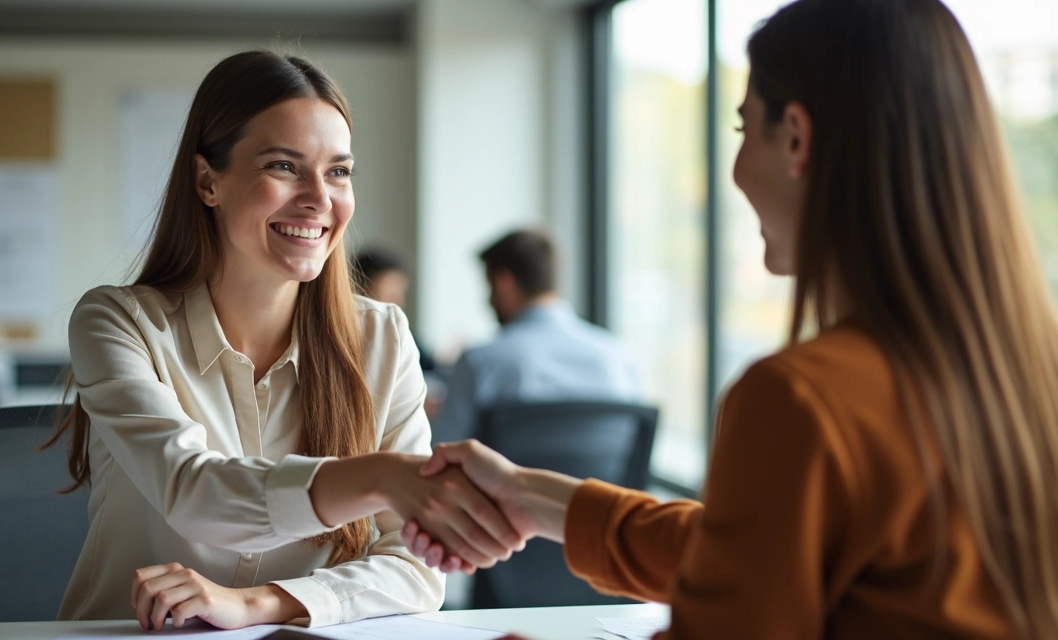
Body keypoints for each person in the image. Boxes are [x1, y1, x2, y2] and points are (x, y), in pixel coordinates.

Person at [404, 0, 1058, 637]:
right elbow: (759, 552)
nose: (737, 169)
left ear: (797, 137)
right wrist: (532, 495)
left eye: (744, 131)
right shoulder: (1029, 370)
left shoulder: (803, 398)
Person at [43, 50, 522, 632]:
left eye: (339, 171)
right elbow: (194, 491)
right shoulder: (119, 323)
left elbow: (417, 568)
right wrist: (378, 476)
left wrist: (261, 602)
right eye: (283, 166)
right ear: (207, 181)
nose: (320, 198)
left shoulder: (381, 337)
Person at [432, 230, 643, 443]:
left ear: (504, 283)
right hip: (598, 479)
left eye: (489, 288)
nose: (488, 302)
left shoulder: (479, 362)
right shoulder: (623, 358)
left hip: (503, 478)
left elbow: (439, 454)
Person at [350, 246, 439, 374]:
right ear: (361, 288)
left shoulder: (397, 328)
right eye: (391, 293)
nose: (399, 302)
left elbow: (428, 364)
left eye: (399, 292)